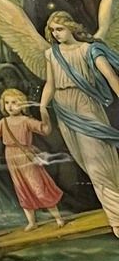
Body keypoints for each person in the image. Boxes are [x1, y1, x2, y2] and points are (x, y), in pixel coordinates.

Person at [39, 13, 119, 234]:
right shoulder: (51, 54)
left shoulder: (88, 50)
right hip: (64, 110)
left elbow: (111, 77)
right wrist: (42, 106)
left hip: (86, 106)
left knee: (97, 165)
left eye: (60, 29)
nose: (56, 34)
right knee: (86, 163)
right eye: (53, 30)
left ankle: (117, 220)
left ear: (71, 28)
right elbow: (50, 84)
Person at [0, 90, 63, 232]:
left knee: (38, 186)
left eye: (14, 102)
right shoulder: (4, 122)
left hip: (25, 156)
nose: (10, 106)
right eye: (7, 103)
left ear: (22, 104)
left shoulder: (26, 121)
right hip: (11, 156)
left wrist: (44, 115)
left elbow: (45, 129)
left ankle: (58, 218)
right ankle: (32, 222)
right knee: (22, 188)